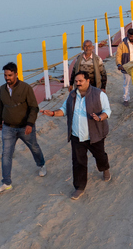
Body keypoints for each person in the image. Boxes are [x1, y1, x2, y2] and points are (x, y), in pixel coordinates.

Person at [41, 71, 111, 200]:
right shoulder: (72, 95)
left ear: (88, 81)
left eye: (80, 81)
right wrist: (51, 113)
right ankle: (79, 187)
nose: (77, 83)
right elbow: (64, 110)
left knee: (100, 155)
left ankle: (104, 168)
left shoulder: (99, 94)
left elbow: (107, 110)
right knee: (78, 162)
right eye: (76, 81)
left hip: (95, 134)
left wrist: (99, 117)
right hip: (77, 135)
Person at [0, 62, 45, 193]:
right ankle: (6, 182)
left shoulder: (26, 88)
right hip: (8, 128)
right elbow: (1, 106)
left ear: (16, 74)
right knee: (6, 154)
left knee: (34, 147)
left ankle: (41, 165)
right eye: (5, 75)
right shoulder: (2, 89)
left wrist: (30, 124)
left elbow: (34, 107)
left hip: (25, 127)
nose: (7, 78)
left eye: (10, 75)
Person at [115, 28, 133, 106]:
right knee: (126, 83)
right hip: (127, 67)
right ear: (127, 35)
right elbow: (118, 55)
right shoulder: (122, 44)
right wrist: (119, 64)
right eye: (131, 37)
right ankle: (126, 99)